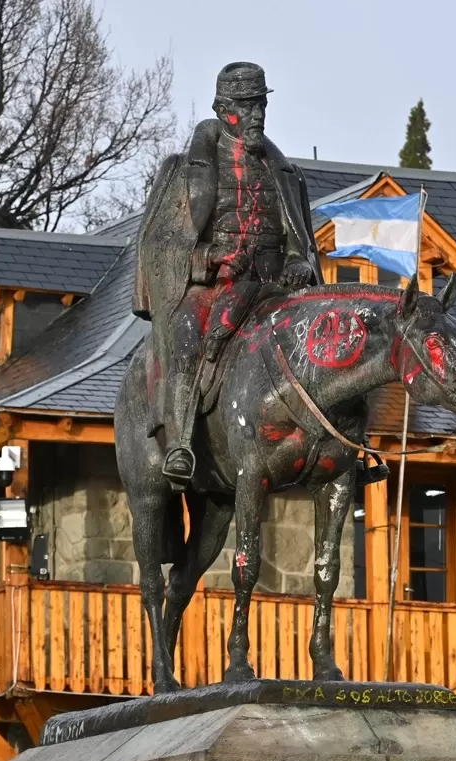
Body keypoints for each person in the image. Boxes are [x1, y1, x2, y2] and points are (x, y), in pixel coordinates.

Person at [132, 62, 321, 488]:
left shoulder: (287, 174)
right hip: (211, 288)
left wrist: (299, 263)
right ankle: (180, 443)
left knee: (328, 339)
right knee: (186, 338)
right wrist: (208, 256)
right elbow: (158, 245)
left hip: (274, 289)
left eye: (261, 104)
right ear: (222, 108)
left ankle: (344, 446)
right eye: (246, 105)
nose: (256, 114)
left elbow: (301, 244)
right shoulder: (183, 171)